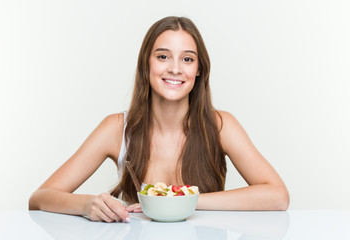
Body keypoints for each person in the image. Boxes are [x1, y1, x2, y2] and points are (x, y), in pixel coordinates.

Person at [29, 16, 289, 223]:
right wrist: (87, 205)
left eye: (187, 59)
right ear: (146, 64)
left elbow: (278, 196)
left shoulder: (221, 125)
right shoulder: (117, 129)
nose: (175, 68)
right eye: (163, 56)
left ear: (199, 70)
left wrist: (184, 200)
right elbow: (40, 198)